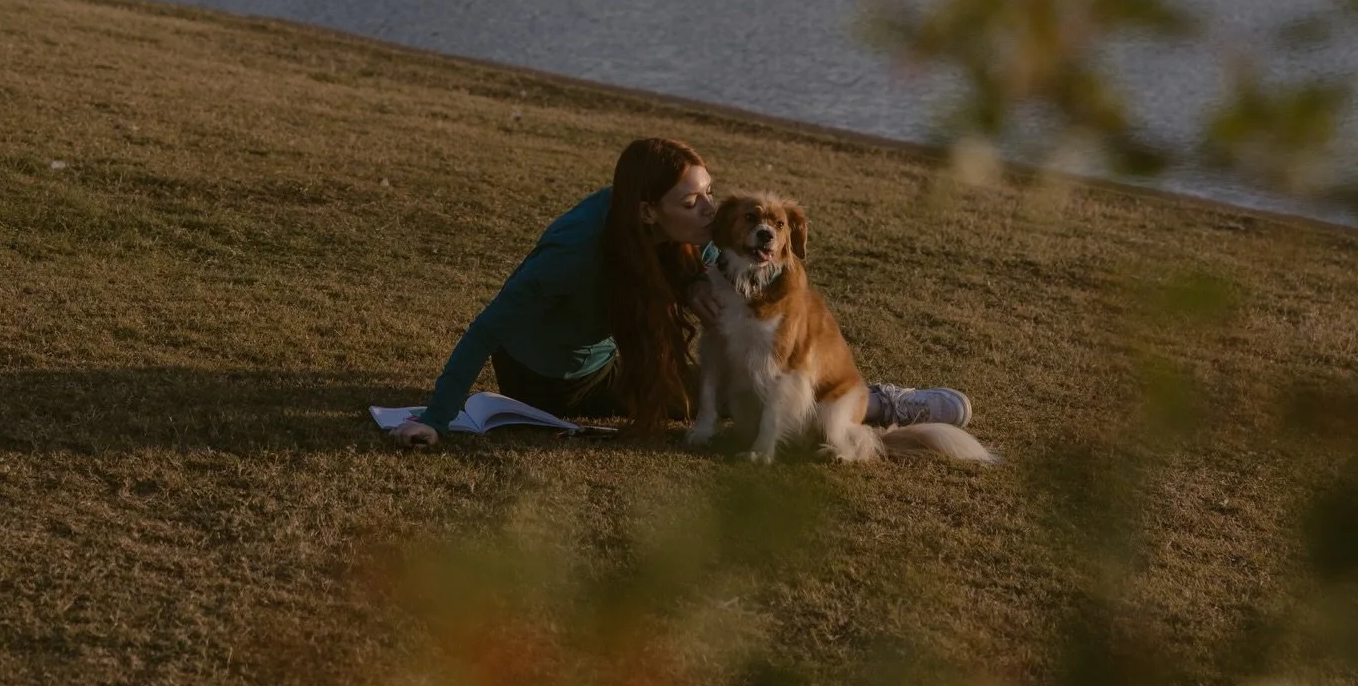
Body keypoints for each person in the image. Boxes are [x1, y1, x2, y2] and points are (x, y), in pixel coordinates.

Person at [386, 136, 972, 447]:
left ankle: (870, 397)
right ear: (649, 211)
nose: (710, 210)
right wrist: (435, 418)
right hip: (552, 381)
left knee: (744, 387)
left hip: (613, 354)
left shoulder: (675, 232)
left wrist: (695, 279)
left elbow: (720, 259)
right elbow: (488, 328)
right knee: (721, 407)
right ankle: (875, 411)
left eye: (709, 192)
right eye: (693, 202)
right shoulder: (572, 251)